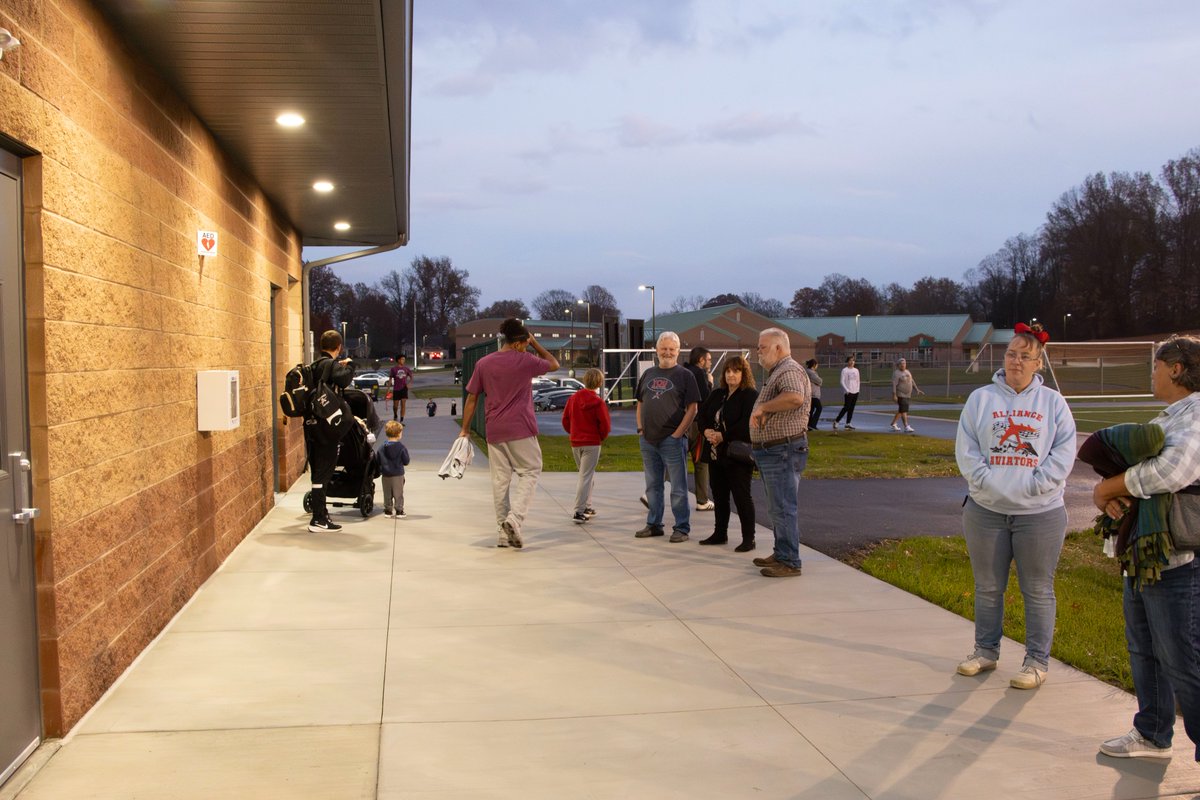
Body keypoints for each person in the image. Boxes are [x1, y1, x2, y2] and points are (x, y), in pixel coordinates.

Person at [1092, 335, 1200, 760]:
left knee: (1184, 661)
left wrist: (1108, 488)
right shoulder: (1173, 416)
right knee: (1144, 648)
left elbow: (1172, 470)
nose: (1151, 373)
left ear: (1176, 368)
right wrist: (1116, 492)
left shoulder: (1196, 415)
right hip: (1148, 556)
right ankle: (1153, 732)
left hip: (1181, 560)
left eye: (1156, 366)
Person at [954, 322, 1077, 689]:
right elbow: (967, 449)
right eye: (1011, 354)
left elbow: (1064, 452)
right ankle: (985, 651)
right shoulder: (981, 399)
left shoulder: (1052, 403)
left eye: (1025, 356)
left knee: (1037, 590)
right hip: (986, 511)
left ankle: (1036, 661)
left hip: (1039, 514)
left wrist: (1035, 485)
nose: (1016, 361)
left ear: (1038, 363)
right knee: (988, 586)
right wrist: (987, 482)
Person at [459, 318, 559, 549]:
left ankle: (502, 534)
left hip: (494, 429)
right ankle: (514, 519)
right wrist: (535, 344)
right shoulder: (525, 360)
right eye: (524, 343)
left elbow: (472, 398)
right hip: (521, 427)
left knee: (500, 480)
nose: (526, 347)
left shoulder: (484, 363)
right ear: (517, 343)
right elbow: (553, 364)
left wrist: (465, 429)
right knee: (531, 470)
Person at [749, 328, 811, 577]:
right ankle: (782, 553)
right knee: (777, 508)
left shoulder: (789, 370)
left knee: (783, 507)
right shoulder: (778, 371)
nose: (758, 352)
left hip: (782, 451)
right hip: (774, 451)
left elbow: (795, 397)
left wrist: (764, 407)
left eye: (762, 347)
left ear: (778, 347)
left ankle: (790, 561)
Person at [635, 331, 700, 543]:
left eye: (672, 349)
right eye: (664, 348)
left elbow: (693, 408)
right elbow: (640, 403)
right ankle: (654, 524)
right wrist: (640, 429)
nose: (667, 352)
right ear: (656, 350)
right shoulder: (648, 374)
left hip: (672, 441)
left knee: (678, 488)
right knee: (653, 486)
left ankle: (681, 527)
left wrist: (677, 434)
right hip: (648, 440)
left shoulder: (685, 376)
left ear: (678, 351)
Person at [698, 355, 759, 551]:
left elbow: (747, 423)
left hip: (737, 455)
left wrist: (723, 435)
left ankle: (748, 538)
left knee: (742, 497)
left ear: (744, 373)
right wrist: (706, 431)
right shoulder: (718, 394)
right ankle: (720, 533)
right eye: (728, 371)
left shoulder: (749, 395)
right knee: (719, 495)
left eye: (736, 371)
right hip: (715, 453)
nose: (731, 375)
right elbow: (702, 416)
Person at [305, 330, 354, 533]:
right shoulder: (331, 365)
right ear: (339, 347)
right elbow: (344, 380)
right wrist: (349, 365)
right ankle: (318, 519)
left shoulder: (313, 366)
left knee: (318, 470)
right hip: (326, 426)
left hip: (311, 425)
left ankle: (320, 514)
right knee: (323, 472)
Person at [561, 368, 611, 524]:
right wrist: (600, 437)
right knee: (585, 477)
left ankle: (587, 506)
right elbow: (605, 425)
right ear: (599, 383)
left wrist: (573, 433)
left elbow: (565, 420)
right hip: (592, 443)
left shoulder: (573, 399)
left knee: (586, 476)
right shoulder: (598, 402)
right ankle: (579, 511)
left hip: (576, 442)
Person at [684, 347, 715, 511]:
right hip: (696, 424)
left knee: (675, 460)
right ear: (701, 360)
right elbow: (705, 398)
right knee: (701, 461)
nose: (710, 362)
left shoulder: (683, 372)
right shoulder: (700, 374)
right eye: (708, 359)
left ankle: (652, 493)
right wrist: (709, 382)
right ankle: (702, 500)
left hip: (681, 422)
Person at [379, 420, 410, 519]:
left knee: (387, 493)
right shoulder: (401, 447)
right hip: (398, 474)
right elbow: (406, 461)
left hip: (386, 474)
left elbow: (377, 459)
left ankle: (388, 510)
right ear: (398, 434)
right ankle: (399, 510)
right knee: (398, 493)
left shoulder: (382, 447)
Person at [889, 357, 924, 432]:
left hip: (908, 394)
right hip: (900, 394)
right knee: (904, 410)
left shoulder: (907, 371)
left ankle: (893, 423)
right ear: (898, 365)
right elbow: (894, 385)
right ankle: (906, 426)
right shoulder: (896, 373)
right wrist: (894, 395)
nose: (903, 365)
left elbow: (912, 381)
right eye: (901, 364)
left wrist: (917, 389)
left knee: (902, 410)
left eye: (904, 363)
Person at [831, 355, 860, 431]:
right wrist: (847, 390)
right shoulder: (845, 370)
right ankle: (836, 421)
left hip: (855, 391)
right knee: (846, 407)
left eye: (853, 360)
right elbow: (842, 381)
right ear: (848, 361)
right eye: (850, 360)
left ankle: (848, 423)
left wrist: (857, 389)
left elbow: (858, 381)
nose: (852, 362)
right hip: (848, 392)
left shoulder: (856, 370)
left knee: (852, 408)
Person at [389, 354, 414, 421]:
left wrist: (409, 384)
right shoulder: (393, 369)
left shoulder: (406, 369)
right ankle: (395, 415)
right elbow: (390, 379)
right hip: (396, 389)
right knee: (395, 406)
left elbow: (411, 377)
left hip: (404, 389)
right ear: (398, 360)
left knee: (403, 404)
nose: (404, 361)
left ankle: (401, 420)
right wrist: (388, 390)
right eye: (402, 359)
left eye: (404, 359)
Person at [804, 359, 822, 430]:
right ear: (814, 365)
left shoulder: (807, 371)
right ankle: (813, 424)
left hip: (810, 394)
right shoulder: (811, 373)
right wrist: (819, 381)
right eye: (816, 365)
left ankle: (809, 425)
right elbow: (819, 381)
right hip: (813, 394)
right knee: (819, 408)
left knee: (811, 410)